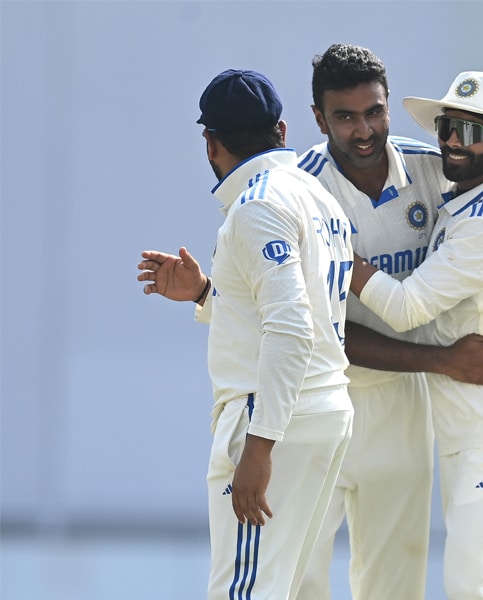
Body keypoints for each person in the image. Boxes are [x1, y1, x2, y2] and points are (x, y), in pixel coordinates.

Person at [294, 44, 483, 600]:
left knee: (395, 581)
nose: (364, 131)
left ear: (388, 106)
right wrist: (441, 361)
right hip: (319, 395)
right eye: (345, 117)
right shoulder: (299, 192)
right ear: (319, 118)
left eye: (375, 112)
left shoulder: (432, 169)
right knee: (299, 577)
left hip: (406, 405)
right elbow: (320, 331)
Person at [136, 69, 355, 599]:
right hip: (321, 410)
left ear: (210, 143)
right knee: (283, 589)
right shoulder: (318, 196)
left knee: (244, 591)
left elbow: (292, 326)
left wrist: (260, 446)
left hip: (274, 417)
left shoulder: (258, 205)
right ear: (281, 130)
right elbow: (295, 312)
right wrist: (208, 294)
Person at [348, 71, 483, 600]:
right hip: (475, 428)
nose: (455, 143)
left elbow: (407, 306)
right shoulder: (480, 198)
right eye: (448, 127)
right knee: (481, 583)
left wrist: (332, 252)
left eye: (473, 131)